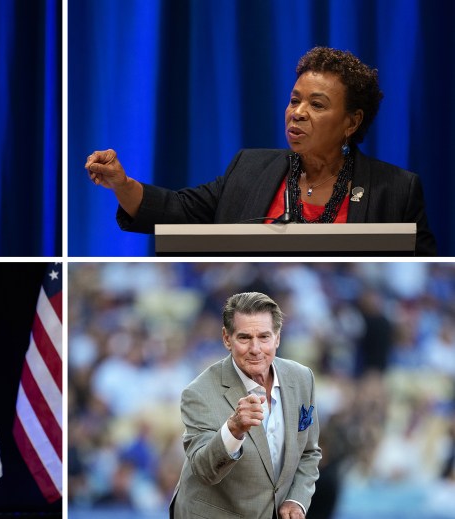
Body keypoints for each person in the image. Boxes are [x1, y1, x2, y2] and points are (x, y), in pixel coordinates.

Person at [85, 47, 436, 255]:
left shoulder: (396, 190)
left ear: (351, 122)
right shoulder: (250, 168)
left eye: (317, 104)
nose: (297, 112)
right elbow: (176, 210)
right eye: (294, 100)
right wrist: (121, 183)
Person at [169, 292, 320, 519]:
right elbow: (204, 470)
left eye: (264, 337)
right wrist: (233, 429)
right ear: (226, 338)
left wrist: (296, 499)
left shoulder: (302, 378)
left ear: (277, 338)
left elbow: (309, 453)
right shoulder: (198, 393)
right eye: (244, 338)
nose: (256, 348)